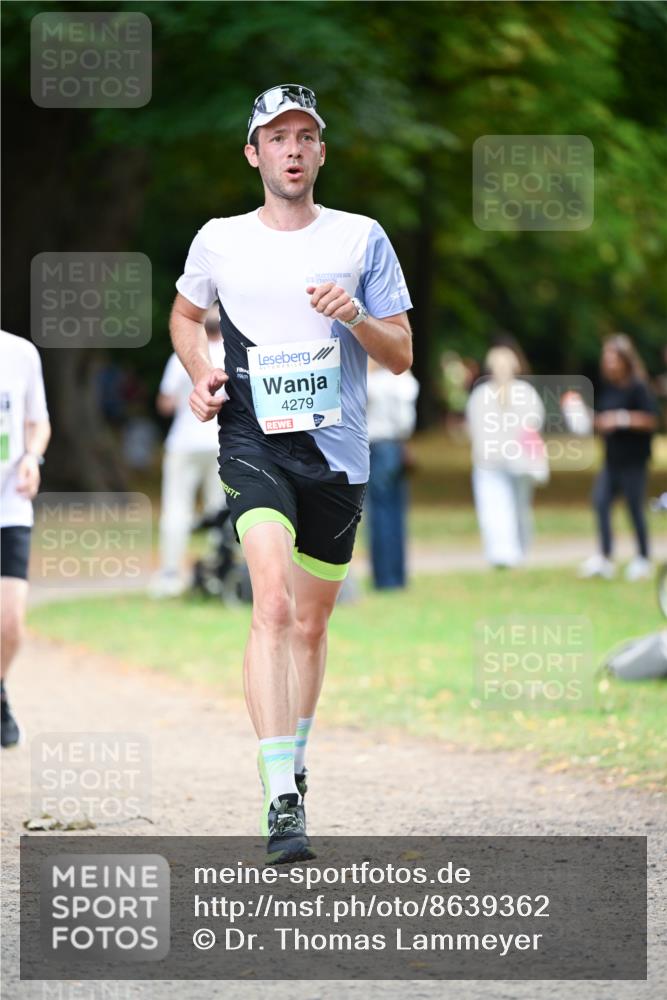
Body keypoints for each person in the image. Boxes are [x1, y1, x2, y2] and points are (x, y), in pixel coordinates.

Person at [170, 84, 412, 863]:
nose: (293, 149)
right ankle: (280, 800)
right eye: (277, 137)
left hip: (336, 454)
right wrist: (203, 369)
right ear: (254, 152)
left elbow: (401, 353)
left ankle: (295, 758)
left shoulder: (361, 237)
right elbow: (182, 313)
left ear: (321, 150)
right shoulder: (218, 239)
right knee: (270, 603)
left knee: (311, 622)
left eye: (306, 135)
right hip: (251, 440)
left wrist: (353, 316)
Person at [150, 309, 226, 598]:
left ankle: (170, 574)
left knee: (176, 508)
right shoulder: (232, 354)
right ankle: (219, 570)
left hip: (185, 442)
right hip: (221, 442)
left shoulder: (183, 355)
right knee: (221, 509)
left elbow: (166, 404)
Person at [0, 330, 51, 747]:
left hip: (9, 502)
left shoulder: (19, 353)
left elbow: (38, 422)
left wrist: (32, 457)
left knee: (10, 621)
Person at [579, 334, 659, 581]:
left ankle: (643, 558)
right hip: (611, 459)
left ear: (626, 360)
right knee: (600, 502)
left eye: (614, 357)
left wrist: (621, 419)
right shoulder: (609, 387)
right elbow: (604, 419)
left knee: (634, 508)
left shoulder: (639, 387)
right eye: (607, 357)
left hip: (634, 460)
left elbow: (650, 419)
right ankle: (604, 557)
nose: (609, 362)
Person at [466, 345, 548, 568]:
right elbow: (534, 426)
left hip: (489, 461)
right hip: (518, 461)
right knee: (519, 508)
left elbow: (473, 430)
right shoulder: (526, 393)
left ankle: (502, 554)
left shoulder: (480, 395)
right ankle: (519, 551)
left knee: (494, 508)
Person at [365, 358, 419, 588]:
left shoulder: (372, 382)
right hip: (396, 446)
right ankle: (397, 576)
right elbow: (406, 419)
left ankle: (384, 577)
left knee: (379, 515)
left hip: (377, 446)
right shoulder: (401, 379)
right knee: (396, 513)